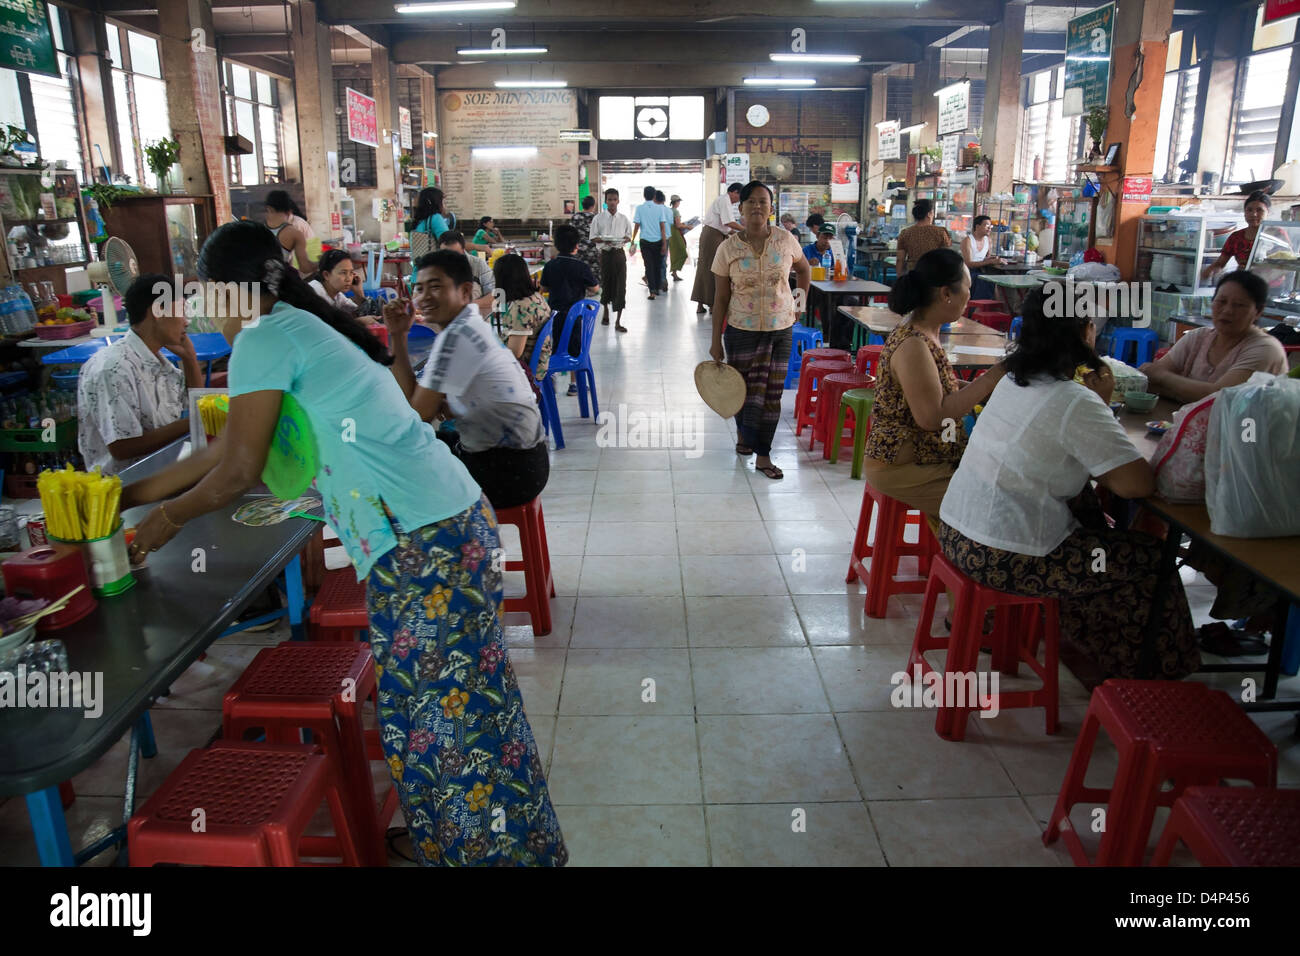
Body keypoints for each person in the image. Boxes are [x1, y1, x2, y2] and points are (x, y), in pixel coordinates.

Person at [121, 222, 567, 866]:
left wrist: (163, 523)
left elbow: (240, 470)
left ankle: (484, 852)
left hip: (422, 540)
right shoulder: (298, 328)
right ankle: (477, 841)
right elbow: (225, 448)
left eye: (202, 290)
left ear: (225, 290)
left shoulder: (266, 339)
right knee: (450, 705)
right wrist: (129, 496)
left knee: (445, 716)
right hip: (441, 524)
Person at [939, 285, 1199, 680]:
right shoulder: (1074, 400)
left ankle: (1086, 649)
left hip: (959, 533)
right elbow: (1135, 485)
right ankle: (1153, 679)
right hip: (1004, 555)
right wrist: (1104, 404)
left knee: (1093, 527)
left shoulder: (1014, 380)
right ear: (1082, 333)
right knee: (1149, 561)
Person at [384, 250, 549, 511]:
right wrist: (398, 335)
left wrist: (397, 337)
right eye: (419, 288)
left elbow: (416, 415)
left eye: (436, 287)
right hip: (528, 461)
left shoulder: (456, 338)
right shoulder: (472, 323)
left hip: (508, 472)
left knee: (395, 469)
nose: (424, 297)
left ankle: (441, 547)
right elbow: (433, 407)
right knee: (420, 448)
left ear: (464, 292)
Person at [860, 248, 1006, 531]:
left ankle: (955, 562)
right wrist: (993, 377)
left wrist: (987, 389)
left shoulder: (927, 330)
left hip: (925, 455)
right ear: (945, 294)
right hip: (903, 466)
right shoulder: (913, 342)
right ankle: (962, 567)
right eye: (967, 288)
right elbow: (931, 416)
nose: (969, 297)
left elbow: (939, 388)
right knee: (995, 505)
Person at [709, 180, 811, 481]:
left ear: (771, 208)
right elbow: (721, 297)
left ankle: (763, 453)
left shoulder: (785, 240)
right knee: (743, 392)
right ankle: (744, 435)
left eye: (763, 201)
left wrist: (799, 304)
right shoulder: (727, 248)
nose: (756, 206)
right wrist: (716, 340)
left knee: (771, 394)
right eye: (750, 201)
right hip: (741, 330)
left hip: (781, 329)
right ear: (739, 208)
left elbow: (804, 270)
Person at [77, 273, 205, 476]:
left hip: (159, 474)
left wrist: (190, 358)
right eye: (181, 312)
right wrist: (195, 422)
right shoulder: (113, 368)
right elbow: (122, 448)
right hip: (123, 488)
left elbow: (197, 407)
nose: (186, 322)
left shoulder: (160, 365)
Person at [1139, 271, 1286, 403]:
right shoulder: (1198, 337)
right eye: (1221, 301)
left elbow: (1220, 397)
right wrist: (1167, 380)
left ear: (1258, 312)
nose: (1228, 310)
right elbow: (1151, 378)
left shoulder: (1265, 349)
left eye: (1239, 305)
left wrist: (1165, 378)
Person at [540, 223, 599, 371]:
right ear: (576, 245)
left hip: (554, 315)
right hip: (575, 316)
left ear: (556, 244)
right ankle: (573, 384)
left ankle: (551, 376)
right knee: (574, 349)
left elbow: (544, 288)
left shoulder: (550, 266)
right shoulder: (581, 267)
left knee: (553, 345)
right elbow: (595, 288)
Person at [494, 252, 552, 378]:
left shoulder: (521, 308)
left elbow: (514, 353)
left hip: (528, 368)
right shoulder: (536, 297)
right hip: (540, 359)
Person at [692, 182, 743, 314]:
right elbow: (728, 222)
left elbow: (727, 227)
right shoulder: (724, 200)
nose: (739, 200)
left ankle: (704, 303)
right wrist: (746, 230)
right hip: (712, 236)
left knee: (707, 267)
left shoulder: (725, 202)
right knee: (713, 268)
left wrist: (739, 233)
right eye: (740, 196)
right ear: (734, 192)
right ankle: (711, 304)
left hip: (716, 235)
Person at [1201, 191, 1271, 281]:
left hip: (1271, 285)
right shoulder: (1236, 237)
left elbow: (1287, 261)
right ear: (1244, 213)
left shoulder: (1275, 235)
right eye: (1249, 210)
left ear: (1267, 212)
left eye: (1259, 210)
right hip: (1245, 283)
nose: (1254, 214)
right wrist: (1210, 270)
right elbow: (1221, 262)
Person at [590, 187, 633, 332]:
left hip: (619, 254)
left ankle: (618, 322)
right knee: (607, 283)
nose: (612, 202)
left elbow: (628, 236)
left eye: (615, 200)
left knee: (621, 286)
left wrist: (622, 240)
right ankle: (606, 312)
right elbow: (593, 237)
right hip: (606, 255)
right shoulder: (598, 218)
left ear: (618, 201)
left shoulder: (624, 218)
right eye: (609, 200)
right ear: (606, 201)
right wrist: (603, 240)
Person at [436, 231, 495, 316]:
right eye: (445, 255)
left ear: (463, 250)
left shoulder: (478, 265)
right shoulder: (434, 268)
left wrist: (466, 306)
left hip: (476, 322)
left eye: (455, 254)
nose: (450, 259)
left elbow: (495, 296)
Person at [630, 186, 668, 300]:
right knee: (657, 265)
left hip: (645, 241)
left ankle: (652, 291)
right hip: (658, 241)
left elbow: (636, 226)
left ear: (644, 195)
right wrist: (664, 243)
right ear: (654, 196)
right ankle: (656, 288)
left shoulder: (639, 208)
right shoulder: (660, 209)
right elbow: (662, 228)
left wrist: (632, 240)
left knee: (648, 266)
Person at [896, 199, 952, 277]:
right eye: (932, 212)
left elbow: (900, 259)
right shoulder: (940, 232)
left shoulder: (905, 233)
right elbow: (946, 257)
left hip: (913, 274)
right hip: (934, 274)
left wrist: (899, 278)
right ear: (929, 214)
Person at [265, 190, 315, 275]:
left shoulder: (257, 229)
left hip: (253, 283)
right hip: (279, 281)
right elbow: (305, 267)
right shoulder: (294, 231)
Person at [960, 215, 1006, 300]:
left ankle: (993, 306)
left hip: (981, 270)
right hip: (967, 271)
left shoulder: (988, 240)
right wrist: (990, 261)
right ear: (977, 227)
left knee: (993, 281)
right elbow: (969, 264)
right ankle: (977, 308)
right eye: (987, 226)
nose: (989, 228)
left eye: (990, 226)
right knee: (985, 281)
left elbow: (986, 258)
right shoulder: (968, 241)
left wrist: (993, 259)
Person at [308, 249, 362, 313]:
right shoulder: (315, 294)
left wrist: (359, 293)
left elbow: (357, 311)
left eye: (351, 273)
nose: (348, 279)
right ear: (326, 275)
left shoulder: (337, 295)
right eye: (343, 273)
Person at [571, 194, 602, 286]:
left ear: (583, 205)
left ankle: (581, 289)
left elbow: (570, 234)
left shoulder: (575, 217)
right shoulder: (597, 218)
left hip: (578, 250)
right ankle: (594, 290)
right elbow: (602, 236)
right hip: (593, 251)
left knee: (579, 271)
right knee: (594, 272)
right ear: (593, 206)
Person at [668, 194, 692, 281]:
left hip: (669, 233)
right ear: (676, 202)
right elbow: (678, 225)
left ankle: (674, 273)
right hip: (675, 233)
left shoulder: (668, 210)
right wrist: (687, 226)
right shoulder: (675, 211)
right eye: (679, 202)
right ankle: (674, 272)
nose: (679, 203)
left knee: (674, 253)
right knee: (682, 253)